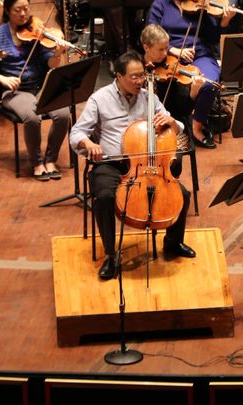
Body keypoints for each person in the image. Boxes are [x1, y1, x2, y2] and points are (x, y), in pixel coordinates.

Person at [69, 51, 196, 281]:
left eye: (141, 77)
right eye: (134, 77)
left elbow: (177, 126)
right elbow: (77, 133)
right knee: (105, 197)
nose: (140, 82)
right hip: (111, 163)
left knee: (183, 195)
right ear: (119, 76)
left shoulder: (150, 98)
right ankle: (111, 254)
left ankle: (172, 242)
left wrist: (172, 122)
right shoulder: (99, 99)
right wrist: (88, 143)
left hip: (149, 163)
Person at [0, 0, 70, 180]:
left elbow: (49, 64)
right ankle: (36, 162)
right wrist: (2, 79)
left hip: (40, 86)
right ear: (8, 11)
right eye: (18, 10)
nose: (24, 14)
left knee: (63, 114)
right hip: (15, 91)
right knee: (32, 117)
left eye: (26, 8)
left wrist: (58, 54)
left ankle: (50, 160)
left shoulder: (37, 31)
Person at [146, 0, 232, 149]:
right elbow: (148, 36)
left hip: (200, 55)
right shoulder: (160, 5)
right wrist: (173, 49)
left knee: (209, 84)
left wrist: (224, 22)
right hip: (167, 58)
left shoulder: (201, 3)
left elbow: (212, 38)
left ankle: (197, 125)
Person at [140, 24, 206, 133]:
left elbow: (184, 110)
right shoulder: (136, 66)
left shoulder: (172, 66)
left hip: (171, 122)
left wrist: (194, 91)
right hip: (141, 122)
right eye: (160, 49)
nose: (165, 53)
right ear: (146, 47)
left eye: (167, 48)